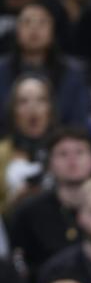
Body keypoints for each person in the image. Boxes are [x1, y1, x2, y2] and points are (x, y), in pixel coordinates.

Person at [8, 125, 91, 282]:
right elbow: (18, 265)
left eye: (80, 152)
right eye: (63, 154)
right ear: (50, 164)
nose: (72, 160)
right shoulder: (29, 212)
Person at [0, 0, 90, 126]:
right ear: (17, 32)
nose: (34, 28)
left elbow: (79, 123)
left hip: (61, 137)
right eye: (27, 22)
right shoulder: (2, 71)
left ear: (52, 31)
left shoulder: (74, 73)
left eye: (42, 22)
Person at [0, 72, 56, 214]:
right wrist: (13, 203)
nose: (33, 107)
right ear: (13, 110)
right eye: (23, 101)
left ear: (50, 108)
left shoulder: (66, 149)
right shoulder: (2, 153)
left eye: (41, 100)